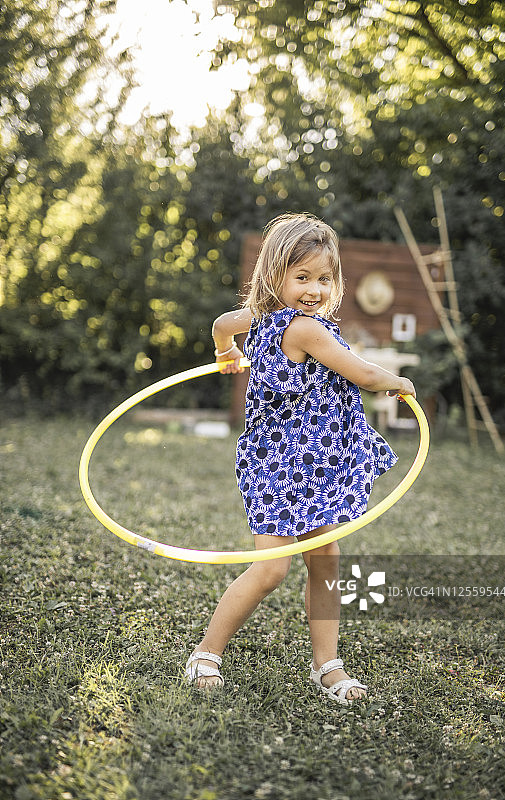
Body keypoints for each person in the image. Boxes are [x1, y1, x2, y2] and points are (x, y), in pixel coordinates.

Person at [184, 212, 416, 705]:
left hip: (317, 462)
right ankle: (206, 652)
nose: (314, 289)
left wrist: (226, 351)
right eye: (302, 277)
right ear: (275, 276)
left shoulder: (256, 319)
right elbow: (362, 373)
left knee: (325, 560)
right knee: (271, 568)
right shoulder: (306, 330)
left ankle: (327, 665)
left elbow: (222, 324)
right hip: (280, 464)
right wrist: (397, 382)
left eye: (324, 278)